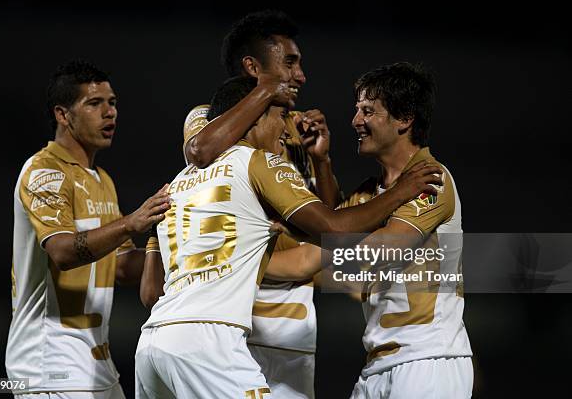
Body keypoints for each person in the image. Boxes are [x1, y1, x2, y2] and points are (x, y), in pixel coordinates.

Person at [134, 76, 443, 398]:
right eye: (280, 117)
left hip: (152, 344)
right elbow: (334, 228)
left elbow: (150, 293)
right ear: (255, 114)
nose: (286, 130)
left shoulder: (179, 183)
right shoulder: (259, 161)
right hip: (209, 342)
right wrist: (401, 192)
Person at [265, 62, 474, 398]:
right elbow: (314, 253)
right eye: (357, 110)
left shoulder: (431, 179)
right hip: (378, 366)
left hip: (429, 360)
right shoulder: (368, 195)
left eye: (367, 111)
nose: (355, 121)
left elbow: (377, 252)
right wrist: (234, 267)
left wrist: (302, 237)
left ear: (404, 119)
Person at [181, 10, 339, 398]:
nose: (300, 75)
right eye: (289, 63)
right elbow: (200, 151)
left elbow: (328, 222)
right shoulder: (208, 117)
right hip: (234, 324)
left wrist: (321, 159)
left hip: (294, 330)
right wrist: (267, 91)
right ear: (253, 67)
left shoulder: (297, 125)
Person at [6, 59, 169, 398]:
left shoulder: (101, 180)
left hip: (95, 360)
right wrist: (130, 222)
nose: (110, 113)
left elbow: (122, 267)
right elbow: (63, 252)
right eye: (94, 103)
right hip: (49, 360)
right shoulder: (44, 172)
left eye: (112, 103)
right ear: (62, 115)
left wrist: (171, 244)